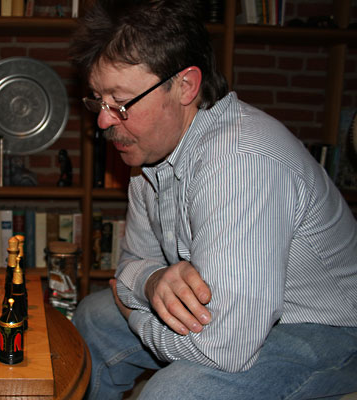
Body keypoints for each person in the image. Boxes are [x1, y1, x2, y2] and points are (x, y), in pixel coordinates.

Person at [69, 0, 357, 399]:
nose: (103, 120)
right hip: (238, 318)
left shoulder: (241, 164)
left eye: (120, 103)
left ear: (186, 86)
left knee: (170, 394)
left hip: (331, 330)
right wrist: (151, 281)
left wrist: (134, 312)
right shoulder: (148, 153)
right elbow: (133, 263)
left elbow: (223, 346)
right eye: (98, 100)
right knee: (92, 317)